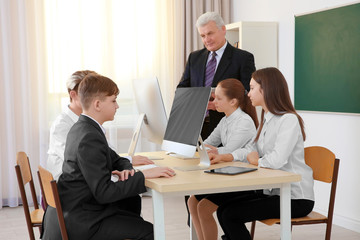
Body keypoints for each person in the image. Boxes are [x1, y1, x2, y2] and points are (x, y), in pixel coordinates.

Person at [41, 73, 176, 240]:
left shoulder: (84, 127)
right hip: (83, 220)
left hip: (79, 208)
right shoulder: (89, 137)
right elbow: (103, 192)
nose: (117, 106)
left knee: (131, 201)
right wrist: (142, 175)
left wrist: (127, 170)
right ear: (97, 105)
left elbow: (116, 159)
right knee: (151, 232)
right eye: (113, 100)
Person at [211, 67, 314, 240]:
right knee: (223, 210)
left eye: (252, 88)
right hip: (273, 191)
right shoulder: (266, 119)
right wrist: (238, 157)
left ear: (266, 89)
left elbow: (277, 159)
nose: (248, 94)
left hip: (295, 198)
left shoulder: (288, 120)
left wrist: (256, 161)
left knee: (230, 215)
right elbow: (251, 149)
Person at [47, 70, 153, 181]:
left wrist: (126, 161)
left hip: (87, 178)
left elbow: (105, 152)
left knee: (131, 185)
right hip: (71, 186)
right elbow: (87, 161)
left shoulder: (90, 121)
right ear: (73, 95)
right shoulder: (62, 126)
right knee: (130, 186)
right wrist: (130, 165)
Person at [187, 78, 258, 240]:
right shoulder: (225, 120)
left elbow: (228, 151)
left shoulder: (244, 122)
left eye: (218, 98)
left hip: (244, 179)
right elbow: (207, 144)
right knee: (192, 201)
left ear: (233, 101)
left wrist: (212, 150)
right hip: (230, 174)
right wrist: (202, 148)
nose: (214, 102)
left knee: (204, 207)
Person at [178, 11, 256, 140]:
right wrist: (197, 100)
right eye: (202, 36)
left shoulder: (243, 58)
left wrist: (222, 104)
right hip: (195, 128)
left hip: (228, 128)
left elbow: (248, 94)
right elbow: (181, 90)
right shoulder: (194, 57)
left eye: (210, 33)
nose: (206, 40)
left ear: (223, 29)